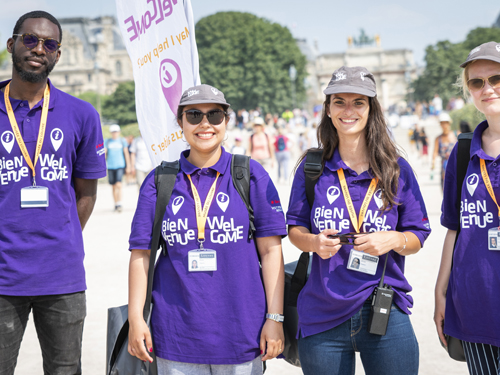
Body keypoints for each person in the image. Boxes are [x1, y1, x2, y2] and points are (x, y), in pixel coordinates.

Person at [127, 84, 286, 374]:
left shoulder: (250, 175)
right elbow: (141, 255)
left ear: (227, 121)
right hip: (176, 335)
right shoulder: (160, 180)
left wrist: (275, 318)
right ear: (180, 122)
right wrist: (136, 318)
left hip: (242, 335)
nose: (205, 124)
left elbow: (271, 250)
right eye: (194, 115)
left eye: (214, 116)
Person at [286, 66, 431, 375]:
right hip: (322, 311)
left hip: (384, 307)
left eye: (358, 102)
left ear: (371, 109)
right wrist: (314, 242)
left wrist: (393, 239)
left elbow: (417, 235)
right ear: (327, 109)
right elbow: (295, 230)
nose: (348, 110)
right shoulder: (312, 168)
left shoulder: (395, 168)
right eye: (339, 101)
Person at [0, 11, 106, 374]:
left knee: (65, 369)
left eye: (49, 44)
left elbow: (86, 196)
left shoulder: (82, 114)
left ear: (58, 55)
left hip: (61, 276)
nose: (38, 49)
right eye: (30, 40)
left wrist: (60, 236)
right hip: (2, 276)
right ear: (12, 45)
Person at [435, 41, 500, 374]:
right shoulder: (462, 154)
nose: (487, 88)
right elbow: (454, 229)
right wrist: (440, 291)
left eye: (497, 78)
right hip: (475, 306)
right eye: (478, 82)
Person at [105, 124, 131, 212]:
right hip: (110, 166)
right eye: (113, 132)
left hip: (120, 165)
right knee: (113, 186)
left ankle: (119, 202)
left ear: (119, 132)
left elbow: (126, 153)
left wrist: (128, 165)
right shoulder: (107, 141)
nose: (114, 133)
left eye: (116, 132)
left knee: (119, 184)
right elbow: (104, 153)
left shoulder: (122, 141)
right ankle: (115, 203)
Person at [432, 113, 457, 190]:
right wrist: (432, 164)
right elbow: (435, 152)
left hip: (457, 164)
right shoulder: (438, 139)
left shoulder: (456, 135)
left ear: (449, 123)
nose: (444, 125)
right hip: (445, 167)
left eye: (446, 123)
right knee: (446, 188)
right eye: (442, 123)